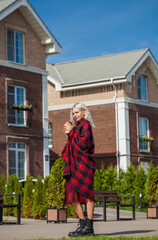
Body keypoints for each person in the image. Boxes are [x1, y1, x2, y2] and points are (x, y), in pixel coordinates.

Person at [62, 102, 95, 237]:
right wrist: (69, 133)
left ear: (84, 112)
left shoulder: (86, 125)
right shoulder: (76, 128)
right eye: (73, 113)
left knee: (87, 195)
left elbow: (84, 144)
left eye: (77, 112)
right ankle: (82, 223)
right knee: (72, 194)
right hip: (74, 166)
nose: (74, 115)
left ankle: (89, 226)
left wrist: (71, 133)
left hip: (84, 165)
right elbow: (72, 145)